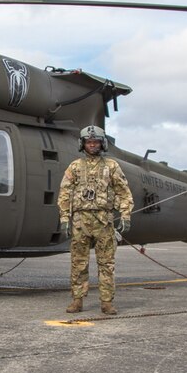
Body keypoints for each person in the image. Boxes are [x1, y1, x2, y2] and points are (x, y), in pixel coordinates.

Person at [57, 125, 134, 315]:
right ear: (82, 144)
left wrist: (125, 214)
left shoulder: (112, 166)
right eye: (89, 142)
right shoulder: (74, 167)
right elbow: (64, 194)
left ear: (102, 144)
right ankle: (77, 300)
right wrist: (65, 218)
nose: (92, 145)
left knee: (106, 263)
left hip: (103, 221)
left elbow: (123, 192)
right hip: (80, 222)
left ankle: (106, 302)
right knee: (78, 262)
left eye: (96, 142)